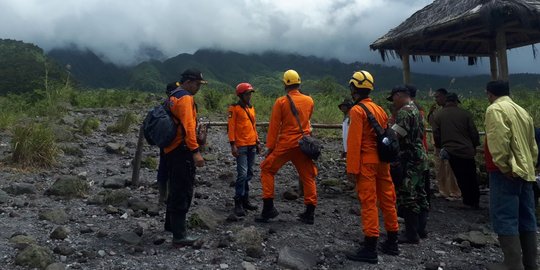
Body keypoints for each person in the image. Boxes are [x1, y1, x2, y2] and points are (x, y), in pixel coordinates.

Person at [344, 71, 400, 264]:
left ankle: (370, 247)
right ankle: (393, 241)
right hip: (383, 162)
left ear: (354, 89)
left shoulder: (357, 111)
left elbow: (354, 142)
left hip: (367, 162)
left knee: (368, 203)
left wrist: (351, 169)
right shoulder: (380, 109)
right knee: (388, 200)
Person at [484, 80, 538, 270]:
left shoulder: (495, 110)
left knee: (505, 216)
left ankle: (512, 264)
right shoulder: (522, 111)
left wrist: (504, 166)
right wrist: (530, 165)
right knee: (527, 216)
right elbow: (532, 145)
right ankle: (531, 263)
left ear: (490, 94)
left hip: (505, 173)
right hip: (526, 171)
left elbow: (499, 140)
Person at [256, 69, 318, 224]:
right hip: (303, 145)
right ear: (299, 82)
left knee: (267, 169)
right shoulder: (309, 101)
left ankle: (268, 208)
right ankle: (309, 213)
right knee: (308, 176)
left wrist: (270, 148)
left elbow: (274, 127)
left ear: (285, 84)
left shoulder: (281, 102)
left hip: (286, 144)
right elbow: (307, 121)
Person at [163, 69, 207, 247]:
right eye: (197, 84)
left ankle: (170, 225)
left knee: (174, 187)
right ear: (188, 82)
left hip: (170, 150)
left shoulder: (173, 95)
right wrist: (195, 151)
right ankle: (179, 236)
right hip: (182, 151)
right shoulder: (186, 98)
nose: (198, 88)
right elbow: (189, 128)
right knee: (183, 190)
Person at [388, 85, 429, 244]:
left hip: (409, 157)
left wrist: (386, 134)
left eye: (393, 99)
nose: (393, 103)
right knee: (420, 192)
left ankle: (411, 233)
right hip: (420, 155)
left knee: (408, 194)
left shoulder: (404, 112)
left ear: (399, 95)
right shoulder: (417, 111)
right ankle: (421, 228)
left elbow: (396, 135)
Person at [432, 92, 481, 209]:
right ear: (455, 102)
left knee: (460, 177)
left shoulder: (438, 115)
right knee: (471, 176)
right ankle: (475, 201)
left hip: (451, 150)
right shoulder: (465, 114)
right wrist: (474, 146)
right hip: (467, 150)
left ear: (446, 101)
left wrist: (440, 146)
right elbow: (474, 133)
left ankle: (468, 201)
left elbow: (436, 134)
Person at [228, 82, 260, 217]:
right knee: (242, 174)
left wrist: (257, 141)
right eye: (247, 94)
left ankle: (246, 199)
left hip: (252, 144)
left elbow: (253, 126)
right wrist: (232, 144)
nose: (249, 96)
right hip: (241, 145)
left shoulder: (251, 108)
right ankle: (238, 202)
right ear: (241, 95)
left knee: (249, 173)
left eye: (250, 93)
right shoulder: (234, 108)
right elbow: (231, 127)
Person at [427, 88, 461, 200]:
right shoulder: (437, 111)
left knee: (450, 169)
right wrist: (430, 113)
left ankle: (454, 192)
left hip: (448, 144)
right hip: (438, 144)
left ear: (444, 97)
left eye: (437, 97)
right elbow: (432, 124)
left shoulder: (451, 111)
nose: (436, 99)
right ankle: (443, 191)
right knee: (440, 168)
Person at [406, 84, 431, 206]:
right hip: (422, 148)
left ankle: (416, 206)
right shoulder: (419, 109)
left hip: (414, 151)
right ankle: (424, 203)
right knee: (423, 180)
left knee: (415, 181)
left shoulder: (408, 110)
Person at [157, 82, 181, 204]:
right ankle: (169, 196)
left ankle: (163, 196)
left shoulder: (164, 104)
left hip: (164, 141)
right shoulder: (175, 103)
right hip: (174, 142)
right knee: (172, 169)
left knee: (163, 167)